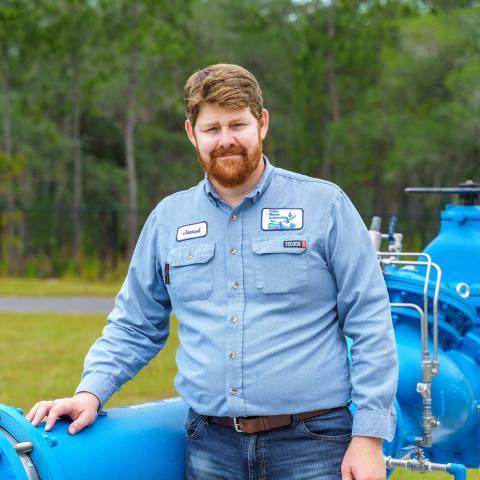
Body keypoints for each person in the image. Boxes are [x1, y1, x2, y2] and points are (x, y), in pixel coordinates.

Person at [26, 64, 398, 480]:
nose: (226, 140)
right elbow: (135, 324)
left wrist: (369, 438)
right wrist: (91, 391)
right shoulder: (169, 219)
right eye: (212, 128)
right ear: (192, 133)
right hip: (211, 447)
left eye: (237, 124)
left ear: (262, 123)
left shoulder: (324, 206)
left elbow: (369, 323)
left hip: (313, 445)